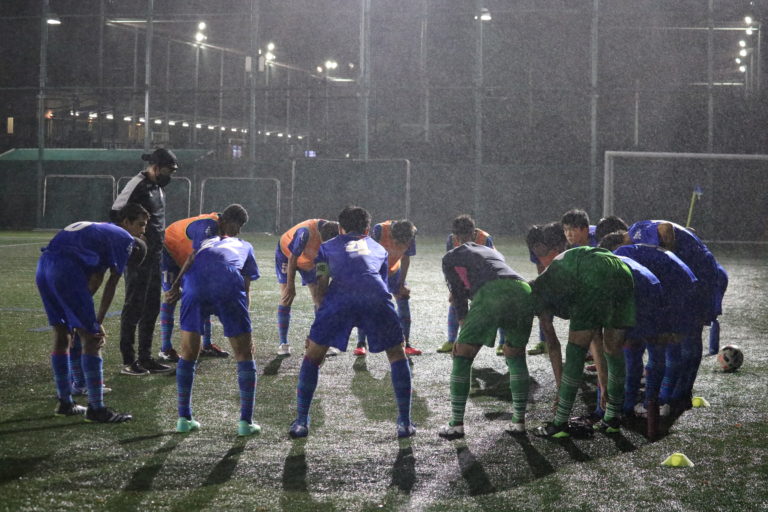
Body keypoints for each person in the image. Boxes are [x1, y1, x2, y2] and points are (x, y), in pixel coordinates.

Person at [288, 206, 415, 439]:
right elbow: (382, 284)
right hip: (375, 297)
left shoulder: (326, 247)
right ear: (367, 229)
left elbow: (321, 285)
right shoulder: (380, 248)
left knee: (313, 356)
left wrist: (318, 328)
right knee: (397, 354)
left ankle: (301, 422)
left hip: (341, 298)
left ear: (340, 228)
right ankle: (405, 423)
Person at [37, 203, 148, 423]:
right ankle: (97, 409)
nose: (143, 230)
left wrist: (82, 315)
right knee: (92, 339)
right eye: (141, 224)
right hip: (66, 269)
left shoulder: (103, 231)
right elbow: (111, 283)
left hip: (44, 266)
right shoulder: (126, 240)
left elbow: (96, 279)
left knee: (62, 334)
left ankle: (65, 402)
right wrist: (96, 323)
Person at [528, 225, 635, 438]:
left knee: (575, 351)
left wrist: (561, 390)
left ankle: (559, 424)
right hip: (622, 271)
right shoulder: (554, 276)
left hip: (592, 272)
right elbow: (596, 337)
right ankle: (612, 418)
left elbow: (553, 344)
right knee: (613, 350)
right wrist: (602, 381)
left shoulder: (539, 294)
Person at [164, 206, 261, 436]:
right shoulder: (245, 245)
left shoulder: (206, 241)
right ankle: (245, 423)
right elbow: (245, 287)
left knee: (188, 353)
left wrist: (176, 286)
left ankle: (184, 419)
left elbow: (191, 257)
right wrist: (244, 324)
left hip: (193, 282)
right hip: (227, 281)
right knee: (244, 354)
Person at [599, 230, 698, 424]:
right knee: (656, 344)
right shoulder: (636, 251)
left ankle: (646, 404)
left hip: (667, 289)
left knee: (646, 344)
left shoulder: (619, 257)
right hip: (679, 284)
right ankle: (658, 401)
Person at [437, 240, 534, 439]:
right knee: (515, 354)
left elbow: (458, 294)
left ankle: (456, 425)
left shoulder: (449, 258)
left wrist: (462, 334)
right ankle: (519, 422)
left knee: (462, 355)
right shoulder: (491, 251)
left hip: (492, 293)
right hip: (523, 290)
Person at [627, 220, 720, 411]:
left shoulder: (636, 231)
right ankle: (673, 393)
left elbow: (665, 227)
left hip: (698, 274)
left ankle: (675, 394)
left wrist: (669, 252)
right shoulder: (633, 241)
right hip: (688, 273)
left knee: (683, 336)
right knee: (677, 338)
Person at [111, 148, 178, 376]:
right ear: (156, 168)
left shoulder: (158, 188)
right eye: (169, 170)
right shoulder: (136, 184)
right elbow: (116, 212)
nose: (170, 175)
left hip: (156, 257)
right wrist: (133, 243)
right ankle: (129, 361)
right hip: (138, 258)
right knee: (134, 306)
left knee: (151, 307)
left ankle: (146, 358)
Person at [158, 205, 251, 361]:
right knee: (171, 296)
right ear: (227, 221)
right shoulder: (208, 226)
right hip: (168, 251)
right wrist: (176, 285)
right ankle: (165, 348)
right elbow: (193, 256)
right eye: (238, 225)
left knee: (204, 291)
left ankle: (206, 345)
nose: (239, 231)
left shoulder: (220, 230)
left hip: (184, 254)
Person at [355, 219, 421, 356]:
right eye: (398, 243)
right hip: (374, 271)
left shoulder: (411, 233)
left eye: (404, 243)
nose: (400, 246)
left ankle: (406, 343)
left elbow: (405, 258)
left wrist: (401, 284)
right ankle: (361, 344)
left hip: (394, 271)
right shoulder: (380, 230)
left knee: (403, 299)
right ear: (392, 235)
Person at [437, 214, 501, 354]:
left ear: (473, 232)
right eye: (459, 238)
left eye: (466, 237)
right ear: (455, 235)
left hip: (485, 277)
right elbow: (451, 264)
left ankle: (502, 343)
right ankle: (451, 340)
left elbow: (491, 265)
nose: (462, 241)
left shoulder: (485, 239)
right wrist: (453, 290)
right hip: (464, 274)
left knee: (499, 306)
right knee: (455, 301)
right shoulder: (451, 240)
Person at [275, 219, 340, 356]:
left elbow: (326, 264)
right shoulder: (305, 232)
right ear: (321, 237)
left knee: (320, 299)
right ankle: (283, 343)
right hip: (286, 255)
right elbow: (292, 258)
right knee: (287, 296)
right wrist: (291, 285)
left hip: (309, 260)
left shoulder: (338, 233)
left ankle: (318, 340)